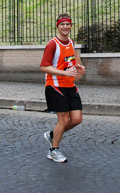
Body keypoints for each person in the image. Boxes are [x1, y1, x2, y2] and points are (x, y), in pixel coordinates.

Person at [40, 13, 86, 163]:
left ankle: (53, 134)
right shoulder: (52, 44)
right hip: (55, 86)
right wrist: (64, 72)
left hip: (69, 85)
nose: (65, 27)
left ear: (71, 26)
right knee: (64, 120)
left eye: (68, 24)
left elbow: (69, 62)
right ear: (57, 26)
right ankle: (54, 150)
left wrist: (77, 67)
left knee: (77, 119)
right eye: (62, 24)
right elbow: (44, 67)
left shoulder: (71, 42)